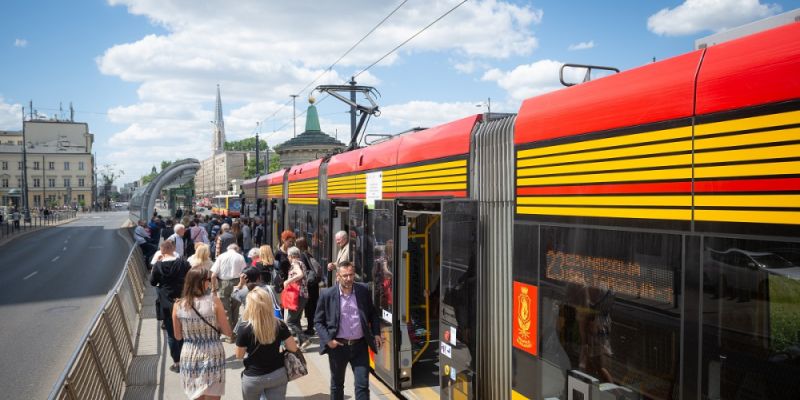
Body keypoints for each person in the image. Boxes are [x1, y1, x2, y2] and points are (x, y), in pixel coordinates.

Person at [315, 261, 382, 400]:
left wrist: (376, 333)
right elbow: (318, 322)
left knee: (362, 385)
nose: (349, 278)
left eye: (351, 275)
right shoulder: (327, 295)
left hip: (360, 346)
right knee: (337, 385)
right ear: (338, 276)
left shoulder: (363, 290)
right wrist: (328, 340)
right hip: (338, 347)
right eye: (345, 275)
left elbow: (373, 314)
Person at [173, 268, 233, 399]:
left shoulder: (178, 305)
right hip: (213, 353)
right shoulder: (214, 301)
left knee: (195, 395)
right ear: (200, 282)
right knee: (213, 396)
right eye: (208, 280)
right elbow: (228, 332)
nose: (210, 283)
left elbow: (177, 336)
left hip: (189, 353)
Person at [235, 287, 298, 400]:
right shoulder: (279, 325)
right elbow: (293, 348)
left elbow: (239, 356)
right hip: (277, 374)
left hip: (253, 377)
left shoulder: (244, 328)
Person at [150, 240, 191, 373]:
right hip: (183, 300)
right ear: (173, 248)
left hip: (166, 303)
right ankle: (187, 359)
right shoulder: (183, 263)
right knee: (186, 331)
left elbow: (153, 282)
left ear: (162, 250)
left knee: (172, 334)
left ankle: (177, 363)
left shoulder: (158, 266)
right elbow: (191, 277)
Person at [210, 243, 247, 342]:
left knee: (226, 310)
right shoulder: (240, 257)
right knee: (236, 309)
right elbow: (244, 273)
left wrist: (213, 288)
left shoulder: (221, 256)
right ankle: (235, 333)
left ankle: (229, 335)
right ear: (236, 249)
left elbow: (213, 275)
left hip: (224, 283)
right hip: (237, 282)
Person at [282, 246, 309, 349]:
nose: (288, 258)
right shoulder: (301, 263)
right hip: (303, 295)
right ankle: (302, 342)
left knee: (290, 321)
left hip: (297, 295)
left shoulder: (295, 263)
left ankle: (305, 339)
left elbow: (300, 274)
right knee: (296, 319)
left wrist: (288, 281)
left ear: (292, 256)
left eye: (288, 256)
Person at [296, 237, 320, 336]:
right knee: (312, 306)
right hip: (314, 285)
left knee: (309, 307)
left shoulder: (302, 256)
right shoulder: (309, 253)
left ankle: (310, 328)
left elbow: (303, 271)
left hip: (308, 285)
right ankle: (311, 327)